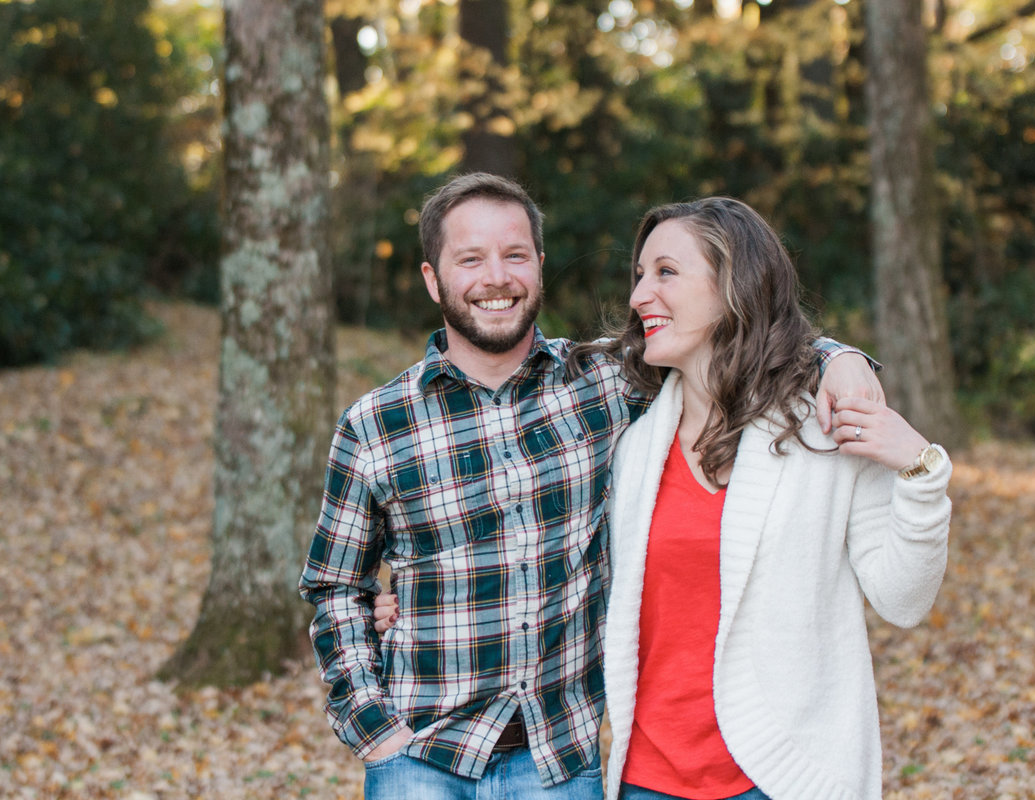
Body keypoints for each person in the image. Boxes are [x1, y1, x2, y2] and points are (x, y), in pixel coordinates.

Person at [299, 174, 883, 799]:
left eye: (515, 255)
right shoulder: (376, 423)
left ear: (540, 267)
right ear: (431, 278)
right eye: (470, 259)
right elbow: (336, 585)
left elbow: (737, 334)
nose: (496, 277)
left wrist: (841, 358)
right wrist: (373, 730)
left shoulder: (602, 385)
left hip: (557, 760)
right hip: (419, 755)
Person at [586, 197, 951, 800]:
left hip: (781, 778)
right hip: (646, 778)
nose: (639, 295)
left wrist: (920, 473)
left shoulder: (824, 431)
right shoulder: (628, 442)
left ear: (734, 285)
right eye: (640, 275)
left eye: (667, 272)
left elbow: (905, 600)